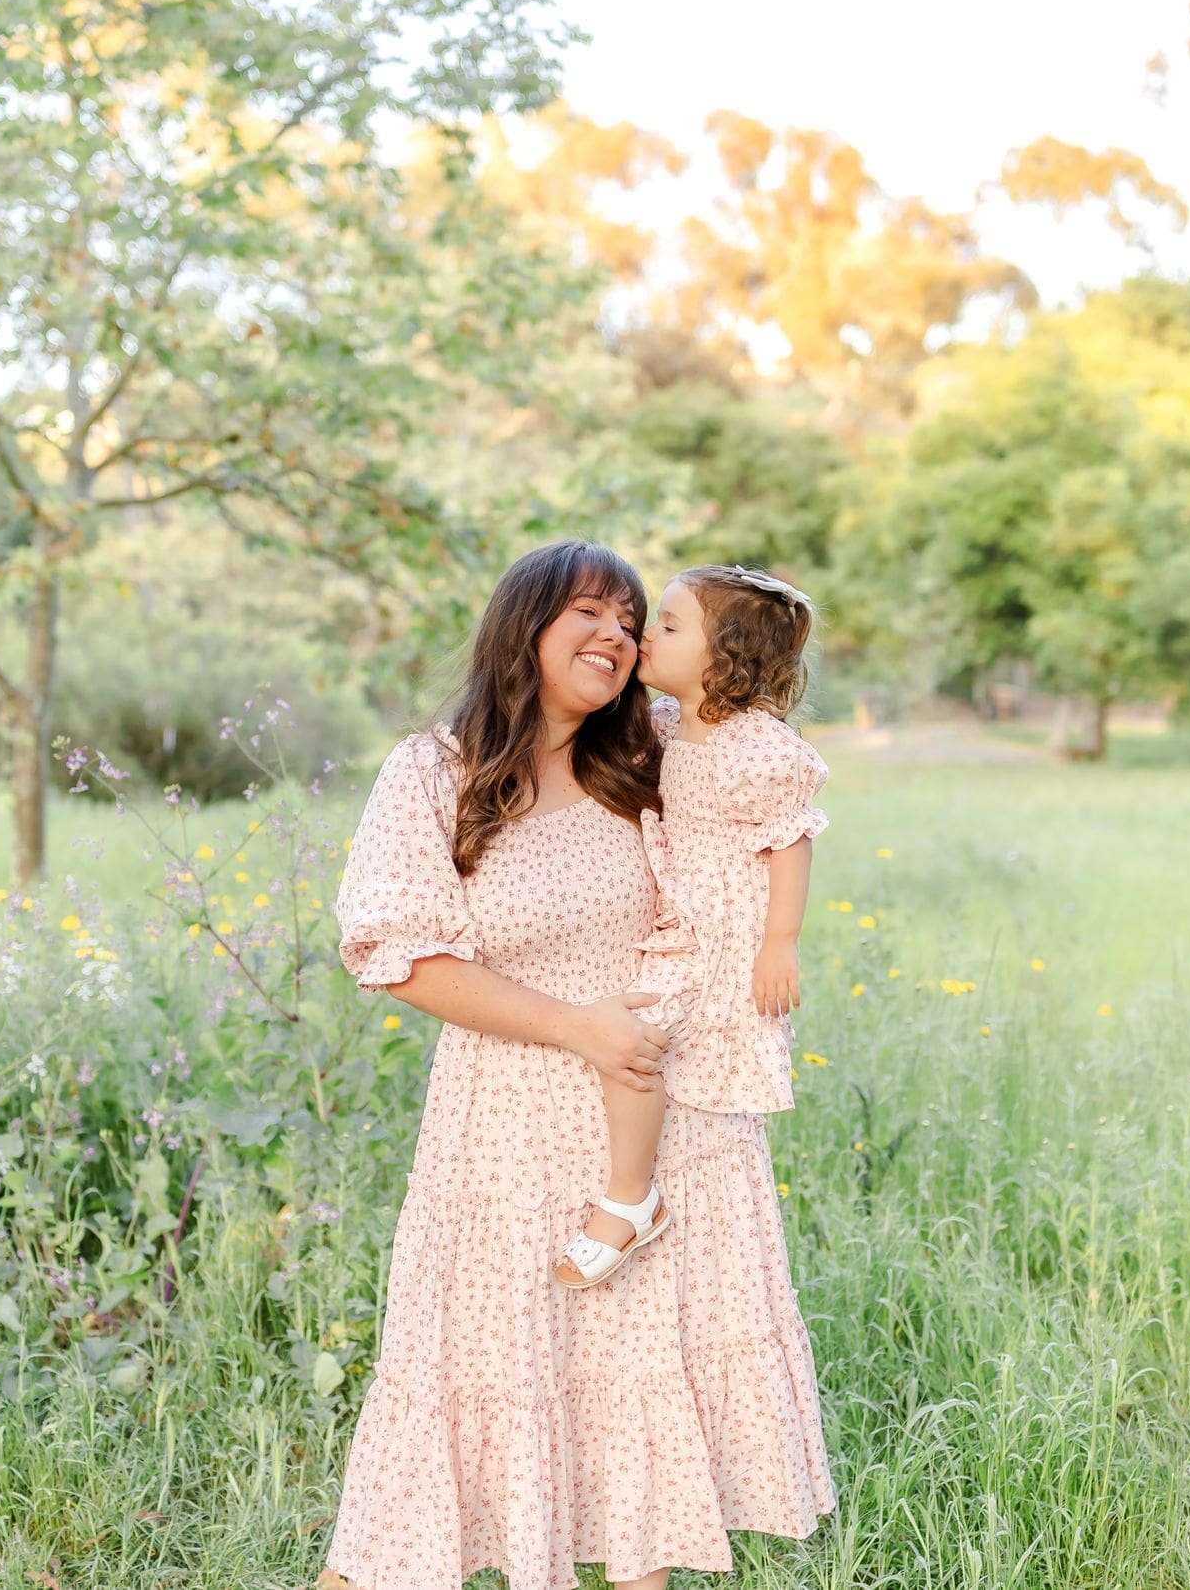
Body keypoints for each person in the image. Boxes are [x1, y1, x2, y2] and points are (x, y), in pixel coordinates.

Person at [318, 541, 833, 1590]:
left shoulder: (658, 744)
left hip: (662, 1119)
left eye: (633, 616)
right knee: (477, 1378)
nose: (618, 633)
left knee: (637, 1388)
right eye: (588, 612)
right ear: (525, 626)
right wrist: (573, 1025)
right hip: (505, 1127)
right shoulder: (434, 769)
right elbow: (397, 954)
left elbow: (773, 795)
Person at [553, 565, 827, 1291]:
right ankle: (630, 1187)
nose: (644, 633)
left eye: (669, 626)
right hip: (684, 921)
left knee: (632, 1039)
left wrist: (780, 942)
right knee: (634, 1033)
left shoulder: (754, 748)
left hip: (723, 938)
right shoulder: (674, 725)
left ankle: (629, 1198)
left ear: (723, 657)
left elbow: (790, 840)